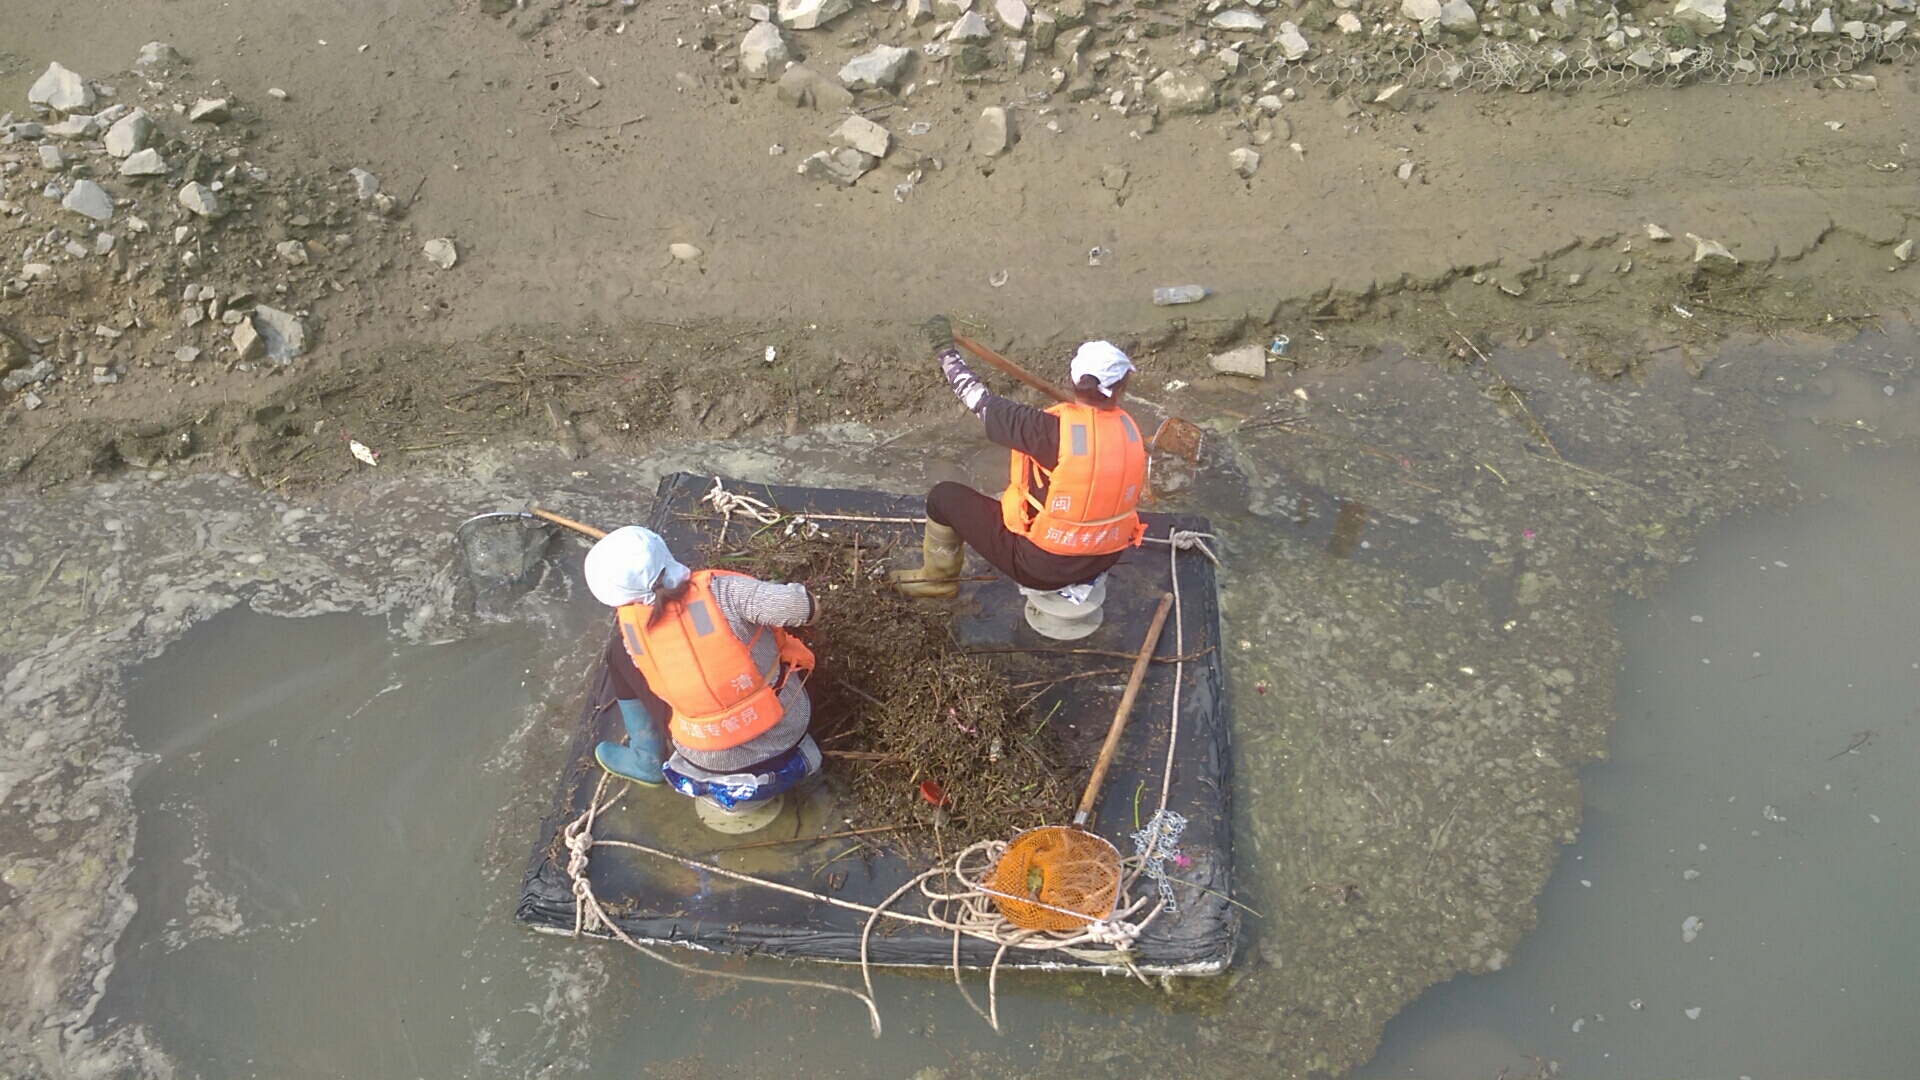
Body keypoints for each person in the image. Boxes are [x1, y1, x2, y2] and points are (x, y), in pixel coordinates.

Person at [890, 316, 1149, 599]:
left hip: (1039, 569)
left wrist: (946, 352)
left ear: (1073, 382)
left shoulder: (1045, 430)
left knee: (943, 498)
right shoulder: (1130, 433)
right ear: (1120, 390)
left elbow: (976, 398)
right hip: (1103, 559)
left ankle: (937, 580)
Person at [583, 526, 823, 810]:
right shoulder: (724, 592)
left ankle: (645, 757)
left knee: (616, 655)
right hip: (787, 729)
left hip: (705, 756)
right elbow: (807, 608)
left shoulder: (632, 632)